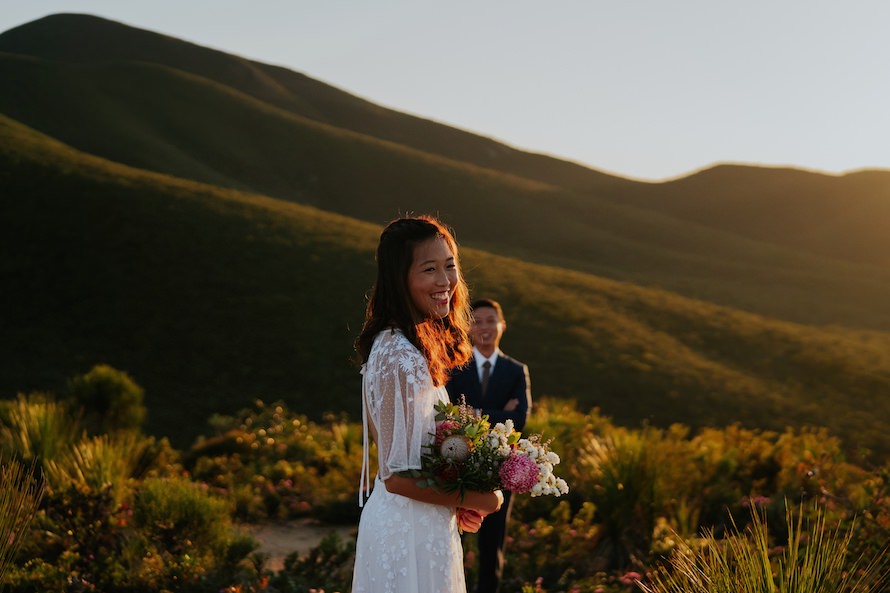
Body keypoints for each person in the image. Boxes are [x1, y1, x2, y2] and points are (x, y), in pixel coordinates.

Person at [352, 216, 505, 593]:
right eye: (429, 269)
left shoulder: (405, 346)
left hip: (423, 525)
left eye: (450, 266)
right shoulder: (399, 357)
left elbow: (414, 457)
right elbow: (396, 474)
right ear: (399, 277)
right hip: (407, 535)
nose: (445, 282)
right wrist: (481, 497)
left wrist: (456, 502)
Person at [446, 298, 531, 593]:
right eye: (477, 320)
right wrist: (499, 413)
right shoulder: (454, 367)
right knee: (454, 536)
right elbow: (450, 416)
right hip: (459, 466)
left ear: (502, 326)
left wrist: (477, 413)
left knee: (493, 543)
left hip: (501, 467)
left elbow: (519, 420)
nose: (484, 326)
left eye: (490, 320)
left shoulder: (516, 370)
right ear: (468, 327)